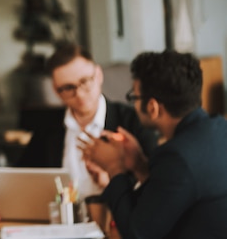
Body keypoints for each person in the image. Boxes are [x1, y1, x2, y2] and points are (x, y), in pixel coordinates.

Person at [79, 50, 227, 238]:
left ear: (153, 107)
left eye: (135, 97)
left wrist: (114, 167)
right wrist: (140, 165)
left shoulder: (177, 156)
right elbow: (167, 201)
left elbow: (136, 233)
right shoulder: (219, 128)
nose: (133, 104)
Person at [18, 42, 157, 200]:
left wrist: (112, 180)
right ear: (56, 91)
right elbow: (23, 176)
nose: (80, 94)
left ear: (98, 75)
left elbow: (156, 182)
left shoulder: (134, 120)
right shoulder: (48, 127)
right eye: (69, 88)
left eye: (85, 81)